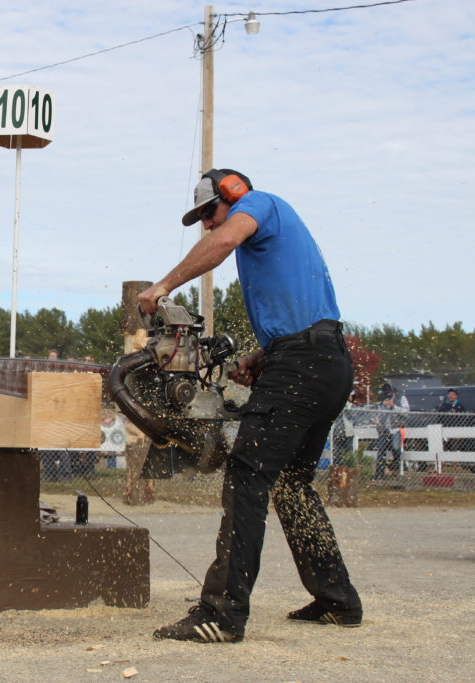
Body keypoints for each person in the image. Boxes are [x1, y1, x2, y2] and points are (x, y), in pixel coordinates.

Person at [142, 169, 361, 643]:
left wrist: (162, 286)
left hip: (302, 364)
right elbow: (303, 320)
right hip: (322, 360)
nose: (207, 226)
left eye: (208, 213)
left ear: (231, 193)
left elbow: (223, 243)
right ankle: (336, 600)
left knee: (247, 472)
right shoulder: (274, 232)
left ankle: (221, 614)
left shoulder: (258, 205)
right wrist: (261, 358)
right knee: (290, 483)